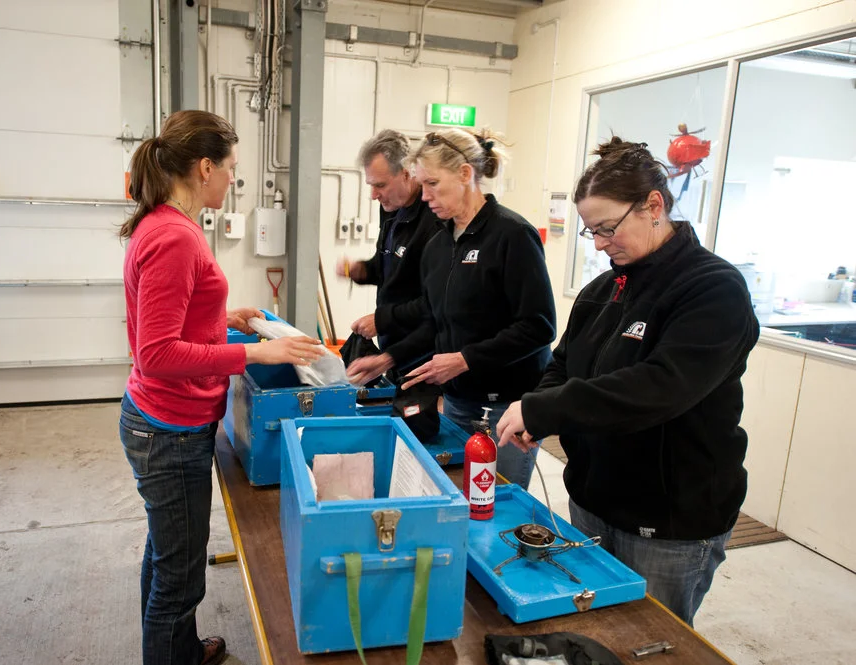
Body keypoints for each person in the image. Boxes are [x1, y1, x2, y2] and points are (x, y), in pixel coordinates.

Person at [495, 137, 760, 626]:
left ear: (653, 206)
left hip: (669, 518)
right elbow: (565, 362)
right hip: (594, 499)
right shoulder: (604, 288)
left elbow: (660, 386)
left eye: (607, 228)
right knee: (593, 629)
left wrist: (547, 410)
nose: (598, 244)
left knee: (646, 640)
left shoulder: (712, 288)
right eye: (590, 232)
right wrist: (538, 402)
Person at [119, 110, 323, 665]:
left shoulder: (167, 225)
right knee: (180, 580)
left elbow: (170, 321)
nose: (234, 179)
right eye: (230, 168)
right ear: (204, 167)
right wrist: (255, 351)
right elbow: (156, 353)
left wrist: (224, 318)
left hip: (165, 420)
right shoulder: (174, 238)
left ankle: (180, 650)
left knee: (168, 554)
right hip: (169, 428)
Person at [347, 128, 556, 488]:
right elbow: (434, 318)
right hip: (459, 400)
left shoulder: (511, 235)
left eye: (432, 184)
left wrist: (465, 359)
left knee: (497, 501)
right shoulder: (439, 244)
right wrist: (389, 357)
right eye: (421, 184)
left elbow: (539, 327)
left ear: (464, 174)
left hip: (508, 404)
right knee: (455, 494)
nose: (424, 196)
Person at [336, 129, 443, 351]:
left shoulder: (435, 220)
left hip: (426, 351)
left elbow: (436, 302)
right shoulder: (392, 208)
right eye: (371, 185)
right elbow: (388, 267)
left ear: (407, 174)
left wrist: (382, 320)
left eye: (380, 185)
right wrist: (362, 270)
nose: (373, 195)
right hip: (395, 344)